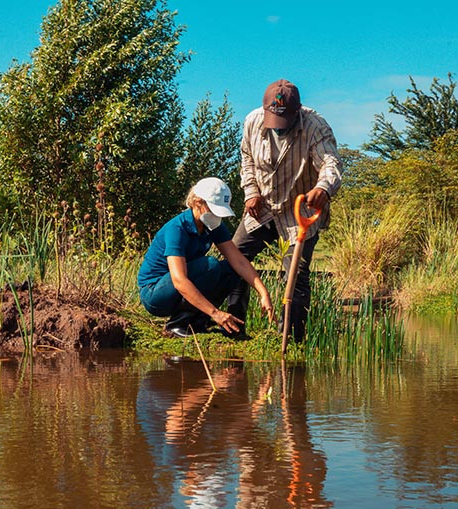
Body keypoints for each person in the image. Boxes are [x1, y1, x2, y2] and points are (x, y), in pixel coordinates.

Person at [227, 79, 342, 341]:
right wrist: (251, 193)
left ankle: (290, 338)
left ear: (298, 111)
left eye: (284, 120)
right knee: (234, 261)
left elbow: (331, 163)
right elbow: (246, 160)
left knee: (297, 275)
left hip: (298, 211)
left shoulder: (315, 127)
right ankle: (234, 330)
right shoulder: (253, 122)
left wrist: (323, 188)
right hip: (262, 206)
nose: (278, 128)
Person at [137, 177, 274, 338]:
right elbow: (179, 280)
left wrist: (263, 292)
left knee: (233, 270)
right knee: (210, 265)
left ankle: (229, 328)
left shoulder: (213, 226)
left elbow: (239, 262)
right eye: (213, 209)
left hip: (181, 286)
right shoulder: (177, 229)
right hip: (155, 294)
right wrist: (215, 313)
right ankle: (177, 325)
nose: (217, 216)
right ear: (197, 202)